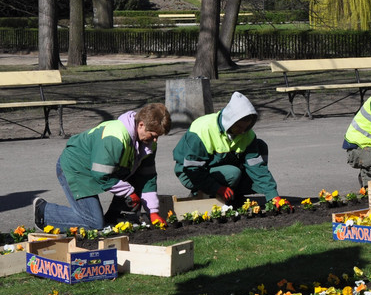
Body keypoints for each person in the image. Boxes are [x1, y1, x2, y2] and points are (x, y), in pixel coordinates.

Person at [33, 103, 172, 231]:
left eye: (158, 136)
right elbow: (101, 174)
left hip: (101, 169)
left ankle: (114, 218)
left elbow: (147, 177)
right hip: (76, 167)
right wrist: (129, 192)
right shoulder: (114, 137)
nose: (155, 140)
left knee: (137, 177)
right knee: (94, 223)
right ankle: (44, 212)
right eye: (153, 135)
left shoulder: (149, 144)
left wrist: (153, 211)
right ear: (141, 125)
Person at [173, 91, 279, 204]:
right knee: (233, 173)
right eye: (238, 126)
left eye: (245, 127)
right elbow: (192, 169)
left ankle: (234, 195)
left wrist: (273, 195)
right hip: (188, 172)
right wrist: (217, 188)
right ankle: (201, 193)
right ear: (229, 120)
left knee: (260, 146)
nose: (242, 131)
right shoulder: (202, 130)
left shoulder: (247, 134)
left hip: (218, 165)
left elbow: (257, 167)